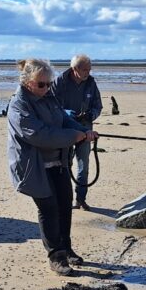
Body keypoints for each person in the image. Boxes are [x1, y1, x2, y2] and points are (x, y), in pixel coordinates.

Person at [8, 58, 97, 276]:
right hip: (34, 166)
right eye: (41, 84)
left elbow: (64, 121)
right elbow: (39, 135)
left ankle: (66, 249)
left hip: (58, 162)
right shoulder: (19, 105)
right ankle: (56, 256)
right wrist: (73, 136)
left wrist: (84, 131)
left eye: (48, 83)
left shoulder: (49, 97)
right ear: (27, 81)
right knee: (48, 209)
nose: (46, 88)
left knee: (65, 205)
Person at [51, 53, 103, 210]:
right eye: (85, 69)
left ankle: (81, 199)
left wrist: (91, 114)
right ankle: (65, 199)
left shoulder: (91, 84)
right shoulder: (60, 82)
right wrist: (66, 113)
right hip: (65, 130)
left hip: (86, 129)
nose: (88, 72)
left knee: (84, 165)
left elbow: (98, 105)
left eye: (90, 69)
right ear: (75, 69)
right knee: (64, 164)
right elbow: (52, 105)